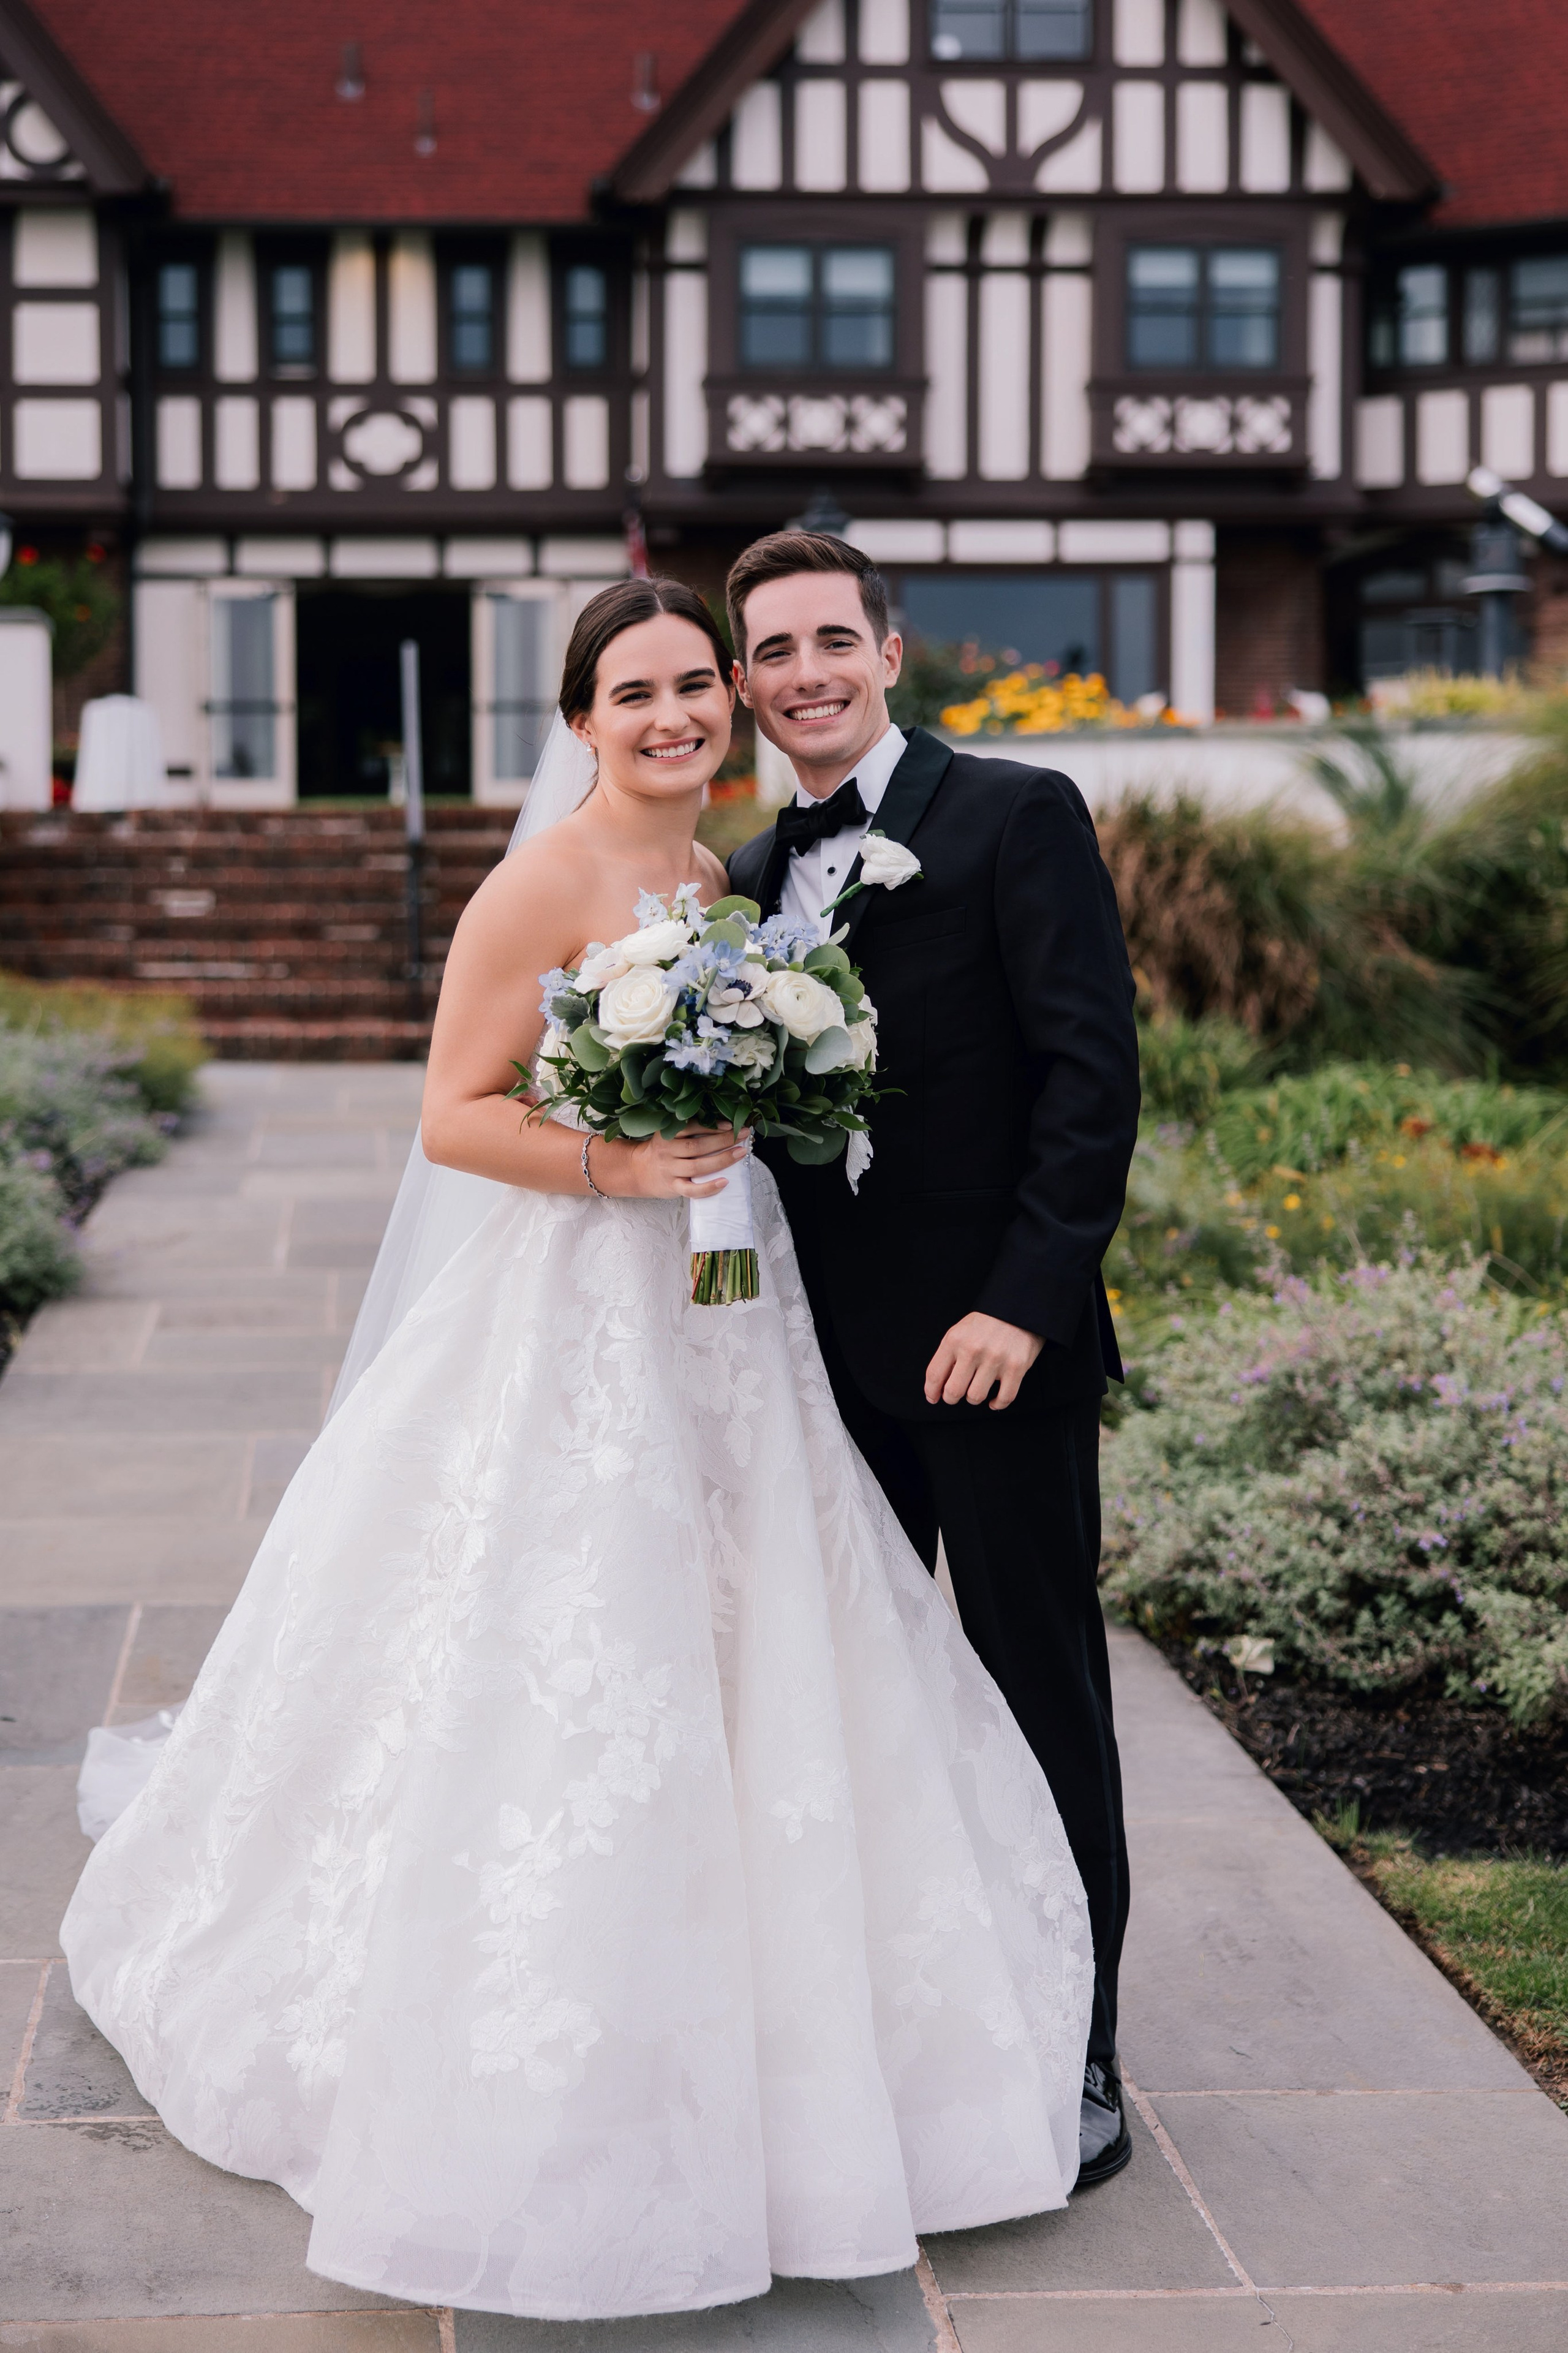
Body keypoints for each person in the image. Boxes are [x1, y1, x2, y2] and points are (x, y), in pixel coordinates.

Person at [61, 578, 1094, 2323]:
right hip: (576, 1309)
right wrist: (618, 1163)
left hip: (728, 1306)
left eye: (704, 681)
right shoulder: (542, 880)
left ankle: (781, 1992)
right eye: (640, 691)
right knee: (564, 1639)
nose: (681, 712)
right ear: (581, 718)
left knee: (748, 1618)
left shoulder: (731, 878)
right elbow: (453, 1111)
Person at [725, 534, 1141, 2186]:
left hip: (997, 1357)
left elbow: (1088, 1079)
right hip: (824, 1372)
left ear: (891, 654)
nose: (806, 671)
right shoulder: (750, 878)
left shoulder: (1014, 815)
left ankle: (1089, 2042)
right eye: (774, 650)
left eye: (835, 637)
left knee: (1042, 1699)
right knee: (876, 1719)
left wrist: (1027, 1303)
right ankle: (922, 2036)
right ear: (749, 683)